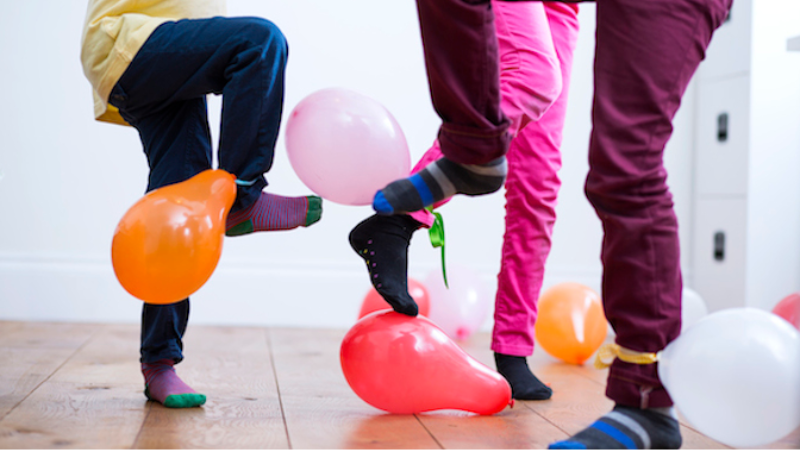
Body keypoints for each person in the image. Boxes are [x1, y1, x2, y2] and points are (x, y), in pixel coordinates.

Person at [376, 0, 734, 448]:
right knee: (535, 87)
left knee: (569, 178)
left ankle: (527, 352)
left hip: (565, 9)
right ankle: (423, 197)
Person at [80, 0, 322, 408]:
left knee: (177, 202)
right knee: (257, 42)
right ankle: (244, 196)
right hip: (131, 39)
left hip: (172, 59)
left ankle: (159, 363)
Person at [350, 0, 580, 401]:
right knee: (534, 75)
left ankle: (513, 348)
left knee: (539, 182)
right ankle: (400, 217)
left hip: (564, 7)